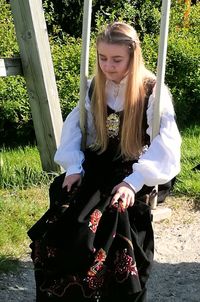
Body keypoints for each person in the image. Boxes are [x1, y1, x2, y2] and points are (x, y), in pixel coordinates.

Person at [28, 22, 181, 302]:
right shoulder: (93, 87)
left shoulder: (152, 90)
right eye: (102, 58)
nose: (108, 66)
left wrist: (133, 183)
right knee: (66, 200)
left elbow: (165, 144)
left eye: (116, 59)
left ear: (133, 57)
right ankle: (70, 287)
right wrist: (73, 167)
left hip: (138, 164)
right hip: (100, 161)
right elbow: (75, 129)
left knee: (115, 212)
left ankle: (115, 288)